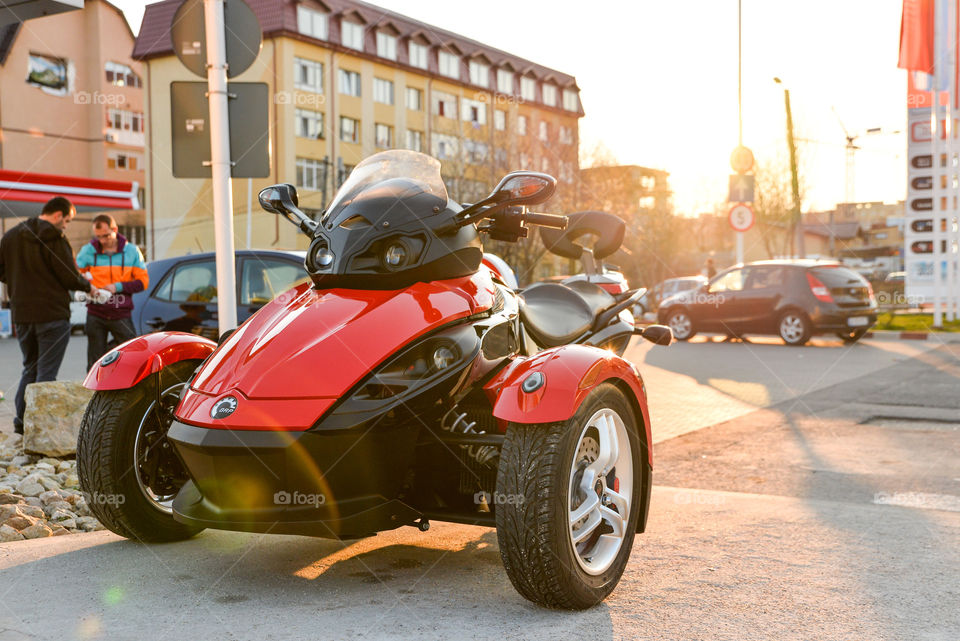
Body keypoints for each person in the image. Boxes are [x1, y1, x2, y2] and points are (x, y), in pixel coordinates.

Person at [0, 197, 107, 435]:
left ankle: (21, 421)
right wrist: (89, 288)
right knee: (46, 373)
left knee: (30, 368)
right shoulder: (55, 239)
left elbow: (2, 271)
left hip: (23, 314)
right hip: (52, 315)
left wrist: (19, 282)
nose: (66, 226)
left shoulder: (10, 237)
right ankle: (38, 428)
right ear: (57, 215)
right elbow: (68, 275)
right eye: (67, 220)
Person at [76, 214, 149, 370]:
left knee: (131, 356)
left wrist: (118, 287)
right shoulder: (87, 251)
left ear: (115, 229)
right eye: (99, 237)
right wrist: (88, 287)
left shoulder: (132, 251)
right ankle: (96, 392)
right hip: (96, 312)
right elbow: (75, 277)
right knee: (95, 362)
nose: (102, 240)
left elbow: (143, 282)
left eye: (106, 235)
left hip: (121, 313)